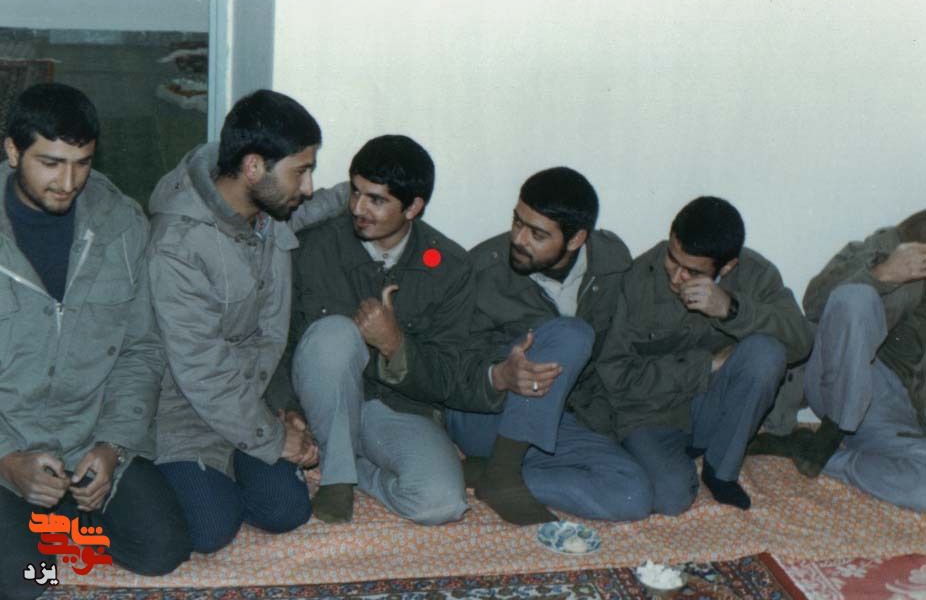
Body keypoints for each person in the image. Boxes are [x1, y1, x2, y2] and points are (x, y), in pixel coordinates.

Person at [0, 83, 190, 600]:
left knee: (164, 549)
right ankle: (32, 536)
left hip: (86, 439)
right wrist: (7, 461)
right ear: (13, 151)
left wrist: (112, 445)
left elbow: (141, 349)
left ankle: (48, 523)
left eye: (81, 163)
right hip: (8, 441)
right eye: (50, 163)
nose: (68, 182)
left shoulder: (121, 223)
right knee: (27, 582)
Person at [147, 89, 346, 553]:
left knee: (286, 511)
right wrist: (274, 439)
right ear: (254, 167)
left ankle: (232, 472)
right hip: (187, 411)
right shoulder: (177, 244)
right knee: (211, 530)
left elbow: (317, 207)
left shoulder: (267, 210)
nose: (308, 186)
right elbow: (201, 371)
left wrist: (361, 191)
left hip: (251, 397)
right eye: (301, 171)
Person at [287, 134, 486, 525]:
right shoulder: (313, 247)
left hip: (395, 409)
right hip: (322, 405)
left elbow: (448, 376)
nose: (358, 208)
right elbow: (277, 342)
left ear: (413, 207)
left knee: (439, 503)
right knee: (335, 334)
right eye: (356, 192)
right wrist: (286, 410)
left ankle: (351, 465)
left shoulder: (450, 266)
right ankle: (337, 479)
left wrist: (395, 345)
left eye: (376, 200)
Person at [445, 167, 652, 526]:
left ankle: (492, 474)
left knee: (632, 493)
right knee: (572, 334)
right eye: (517, 222)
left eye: (538, 234)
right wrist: (499, 373)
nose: (518, 239)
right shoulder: (481, 269)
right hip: (487, 413)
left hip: (558, 417)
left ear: (576, 239)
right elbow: (446, 362)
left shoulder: (611, 262)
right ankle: (505, 470)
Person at [596, 196, 813, 512]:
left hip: (713, 407)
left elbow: (801, 341)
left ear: (727, 266)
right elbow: (616, 376)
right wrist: (706, 365)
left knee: (766, 353)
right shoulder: (638, 277)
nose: (676, 277)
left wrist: (731, 309)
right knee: (670, 498)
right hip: (651, 414)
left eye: (692, 272)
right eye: (672, 259)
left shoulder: (756, 273)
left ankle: (720, 470)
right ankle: (669, 460)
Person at [750, 211, 926, 511]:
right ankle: (835, 429)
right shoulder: (888, 244)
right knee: (855, 298)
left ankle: (812, 451)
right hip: (848, 379)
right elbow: (815, 305)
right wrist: (881, 273)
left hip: (896, 419)